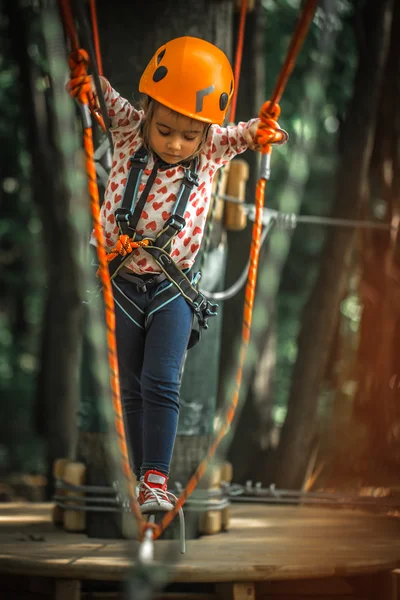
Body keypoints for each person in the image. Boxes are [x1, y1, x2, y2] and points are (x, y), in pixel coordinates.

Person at [68, 36, 281, 514]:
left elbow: (248, 133)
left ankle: (156, 480)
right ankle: (142, 480)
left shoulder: (211, 149)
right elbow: (101, 94)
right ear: (146, 109)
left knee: (162, 379)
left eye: (190, 134)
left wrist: (267, 130)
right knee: (131, 385)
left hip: (173, 290)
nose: (176, 143)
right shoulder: (126, 129)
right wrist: (82, 77)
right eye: (165, 130)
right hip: (119, 284)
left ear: (206, 132)